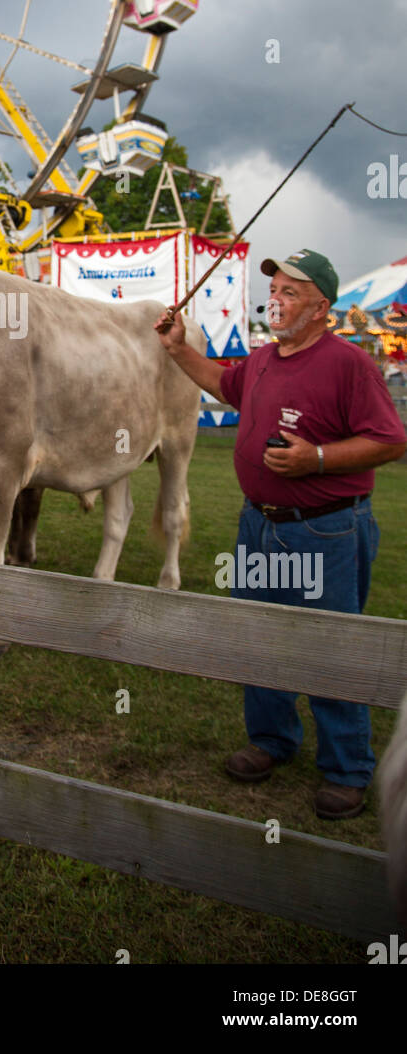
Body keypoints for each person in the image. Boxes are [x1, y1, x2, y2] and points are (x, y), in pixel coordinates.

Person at [155, 248, 406, 820]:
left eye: (291, 292)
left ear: (321, 308)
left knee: (328, 647)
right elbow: (224, 384)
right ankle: (271, 741)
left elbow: (391, 440)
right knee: (257, 636)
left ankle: (347, 769)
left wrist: (316, 458)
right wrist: (176, 348)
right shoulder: (266, 358)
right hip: (258, 524)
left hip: (327, 530)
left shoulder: (349, 364)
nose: (277, 299)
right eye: (275, 289)